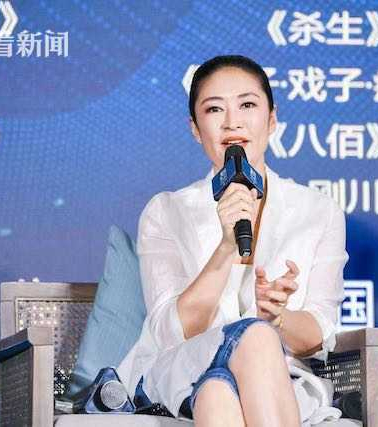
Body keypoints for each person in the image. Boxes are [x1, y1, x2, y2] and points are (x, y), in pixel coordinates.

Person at [117, 55, 348, 426]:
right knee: (253, 337)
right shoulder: (167, 210)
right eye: (214, 109)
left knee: (219, 393)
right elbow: (173, 331)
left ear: (272, 119)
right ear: (195, 128)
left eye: (247, 105)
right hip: (182, 371)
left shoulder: (318, 211)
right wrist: (226, 247)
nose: (232, 122)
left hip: (278, 379)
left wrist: (278, 317)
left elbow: (318, 334)